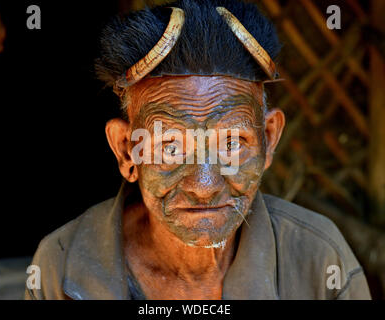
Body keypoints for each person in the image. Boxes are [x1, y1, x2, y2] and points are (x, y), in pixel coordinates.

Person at [25, 0, 371, 300]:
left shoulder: (319, 258)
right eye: (170, 146)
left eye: (233, 143)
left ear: (268, 139)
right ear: (127, 151)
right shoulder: (62, 260)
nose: (204, 185)